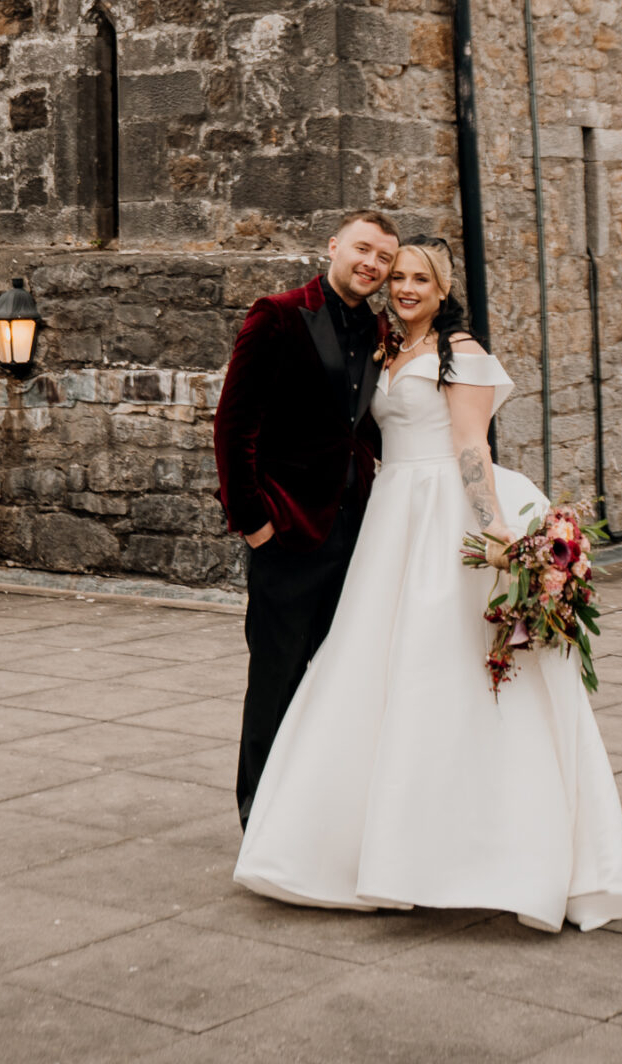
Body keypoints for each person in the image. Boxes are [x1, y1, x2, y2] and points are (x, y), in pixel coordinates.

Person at [232, 234, 622, 931]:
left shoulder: (464, 356)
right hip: (388, 515)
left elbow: (469, 448)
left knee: (446, 672)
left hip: (440, 514)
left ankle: (481, 849)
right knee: (370, 669)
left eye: (419, 279)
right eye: (396, 277)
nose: (402, 288)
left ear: (442, 287)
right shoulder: (381, 349)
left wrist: (492, 534)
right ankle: (356, 842)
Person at [213, 211, 400, 826]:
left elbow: (364, 427)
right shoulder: (277, 314)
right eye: (362, 249)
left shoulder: (379, 329)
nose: (372, 264)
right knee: (276, 679)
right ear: (333, 246)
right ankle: (259, 817)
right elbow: (234, 426)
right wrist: (254, 524)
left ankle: (313, 812)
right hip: (287, 534)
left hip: (355, 533)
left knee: (337, 679)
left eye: (384, 258)